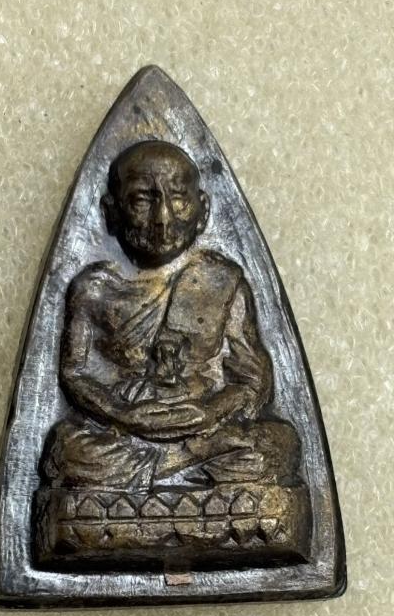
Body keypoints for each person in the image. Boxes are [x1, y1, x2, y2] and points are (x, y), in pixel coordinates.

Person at [41, 140, 300, 491]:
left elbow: (252, 381)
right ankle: (178, 471)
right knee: (68, 451)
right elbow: (74, 374)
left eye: (178, 198)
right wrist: (122, 414)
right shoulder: (94, 289)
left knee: (276, 446)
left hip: (202, 429)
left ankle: (169, 468)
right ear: (111, 212)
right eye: (142, 200)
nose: (162, 219)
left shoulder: (221, 280)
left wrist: (210, 412)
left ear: (203, 211)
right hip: (124, 431)